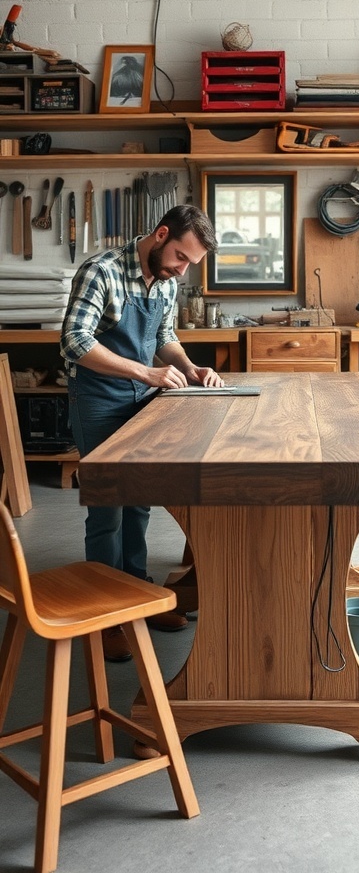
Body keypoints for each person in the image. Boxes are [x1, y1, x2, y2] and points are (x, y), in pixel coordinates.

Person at [60, 203, 224, 662]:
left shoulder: (165, 280)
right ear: (160, 234)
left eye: (190, 263)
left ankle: (136, 594)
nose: (181, 269)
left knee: (140, 501)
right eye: (180, 257)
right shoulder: (102, 271)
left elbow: (163, 337)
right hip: (97, 399)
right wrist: (144, 373)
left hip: (140, 398)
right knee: (108, 506)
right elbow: (74, 340)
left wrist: (190, 367)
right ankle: (105, 613)